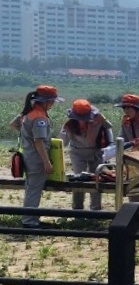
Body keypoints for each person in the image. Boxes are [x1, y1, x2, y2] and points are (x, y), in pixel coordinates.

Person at [17, 85, 62, 228]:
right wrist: (47, 162)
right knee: (34, 190)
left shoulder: (29, 113)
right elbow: (38, 141)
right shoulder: (39, 117)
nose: (53, 104)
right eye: (53, 102)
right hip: (36, 159)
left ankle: (31, 219)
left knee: (31, 188)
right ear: (46, 101)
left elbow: (14, 124)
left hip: (29, 156)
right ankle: (30, 221)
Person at [60, 99, 114, 211]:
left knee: (96, 179)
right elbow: (62, 141)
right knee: (79, 179)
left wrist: (110, 145)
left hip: (96, 151)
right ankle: (77, 209)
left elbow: (108, 129)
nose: (82, 121)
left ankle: (95, 209)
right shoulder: (69, 124)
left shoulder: (99, 118)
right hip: (77, 152)